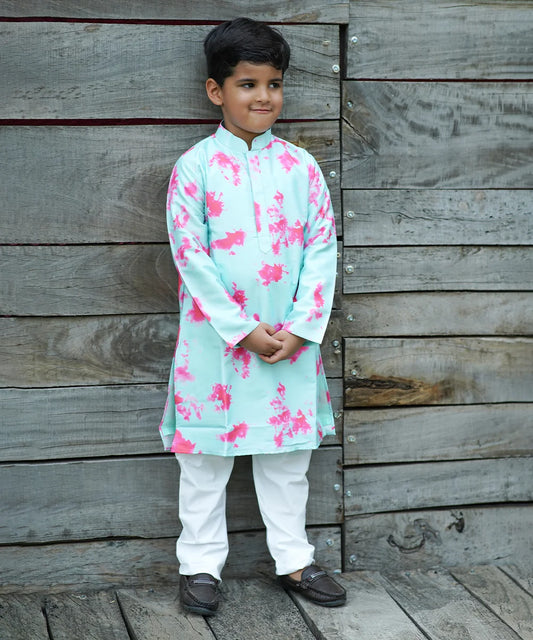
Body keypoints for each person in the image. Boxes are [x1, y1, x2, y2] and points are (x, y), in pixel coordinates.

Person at [159, 16, 346, 615]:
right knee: (205, 460)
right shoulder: (195, 167)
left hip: (289, 342)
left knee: (287, 461)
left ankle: (293, 559)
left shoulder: (301, 167)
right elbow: (190, 256)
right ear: (216, 91)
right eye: (248, 84)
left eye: (274, 84)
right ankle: (199, 566)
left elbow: (321, 248)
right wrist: (240, 330)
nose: (263, 97)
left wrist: (302, 327)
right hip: (216, 344)